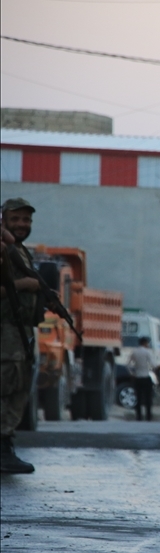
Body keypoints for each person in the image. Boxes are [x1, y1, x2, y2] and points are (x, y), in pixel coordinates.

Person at [0, 198, 40, 474]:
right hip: (6, 329)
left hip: (20, 329)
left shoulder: (20, 251)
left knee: (18, 387)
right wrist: (25, 284)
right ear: (4, 220)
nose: (21, 224)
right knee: (7, 387)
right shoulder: (5, 250)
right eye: (15, 219)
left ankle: (6, 444)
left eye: (26, 220)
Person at [127, 336, 155, 422]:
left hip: (137, 377)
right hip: (146, 376)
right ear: (145, 343)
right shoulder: (147, 352)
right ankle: (148, 416)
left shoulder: (134, 352)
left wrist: (132, 373)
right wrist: (151, 370)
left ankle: (138, 416)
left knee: (138, 398)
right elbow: (153, 364)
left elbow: (128, 364)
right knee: (148, 398)